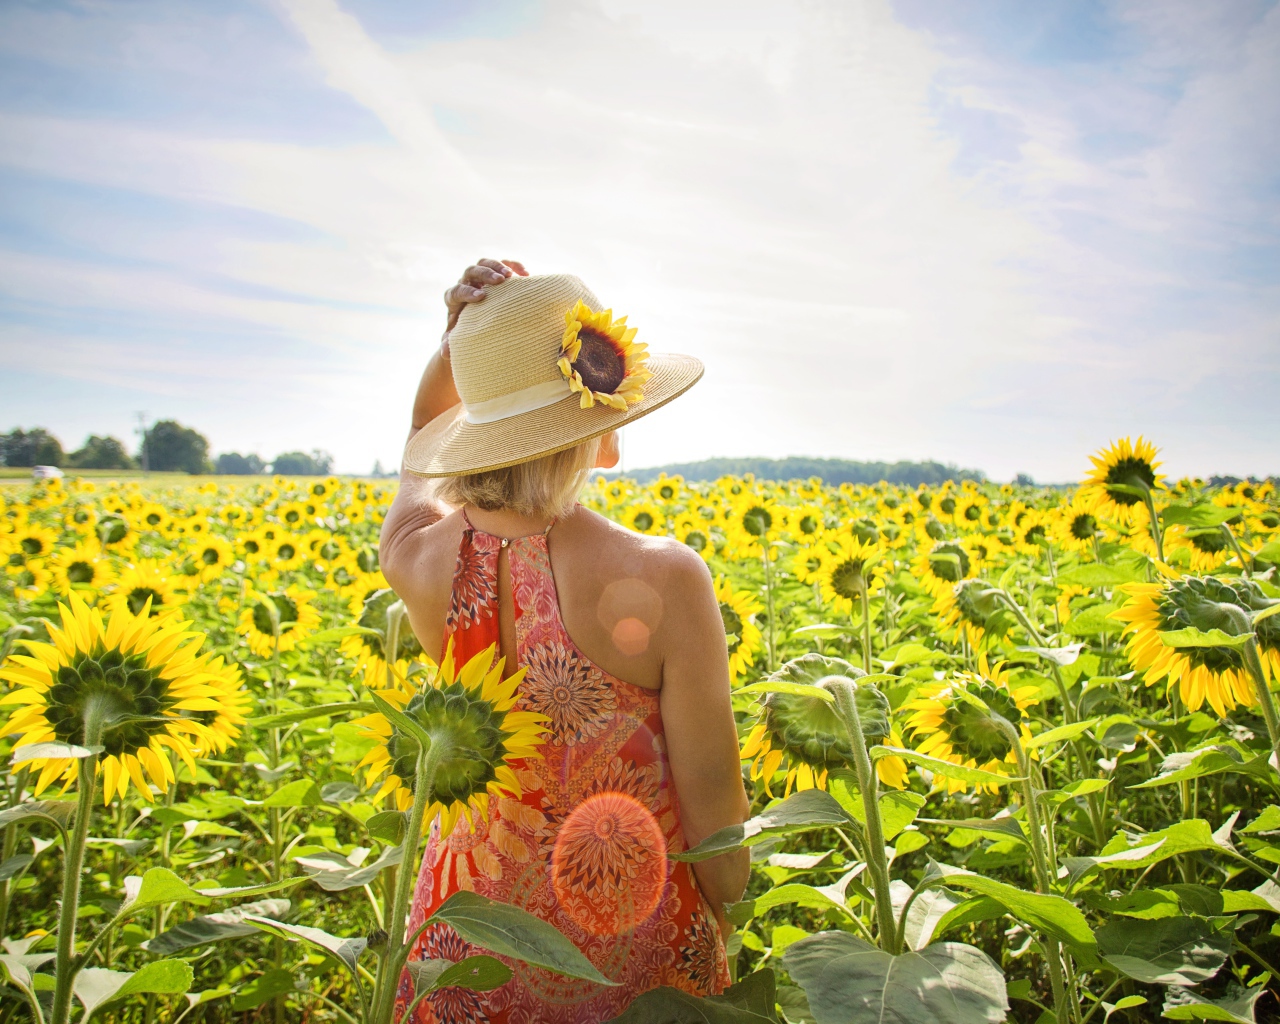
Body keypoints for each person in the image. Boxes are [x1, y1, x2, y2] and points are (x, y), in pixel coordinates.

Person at [380, 259, 751, 1022]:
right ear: (600, 432)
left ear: (473, 431)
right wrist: (729, 922)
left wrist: (459, 348)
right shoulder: (666, 577)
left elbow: (419, 444)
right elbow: (712, 791)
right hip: (630, 944)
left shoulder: (419, 558)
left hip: (465, 942)